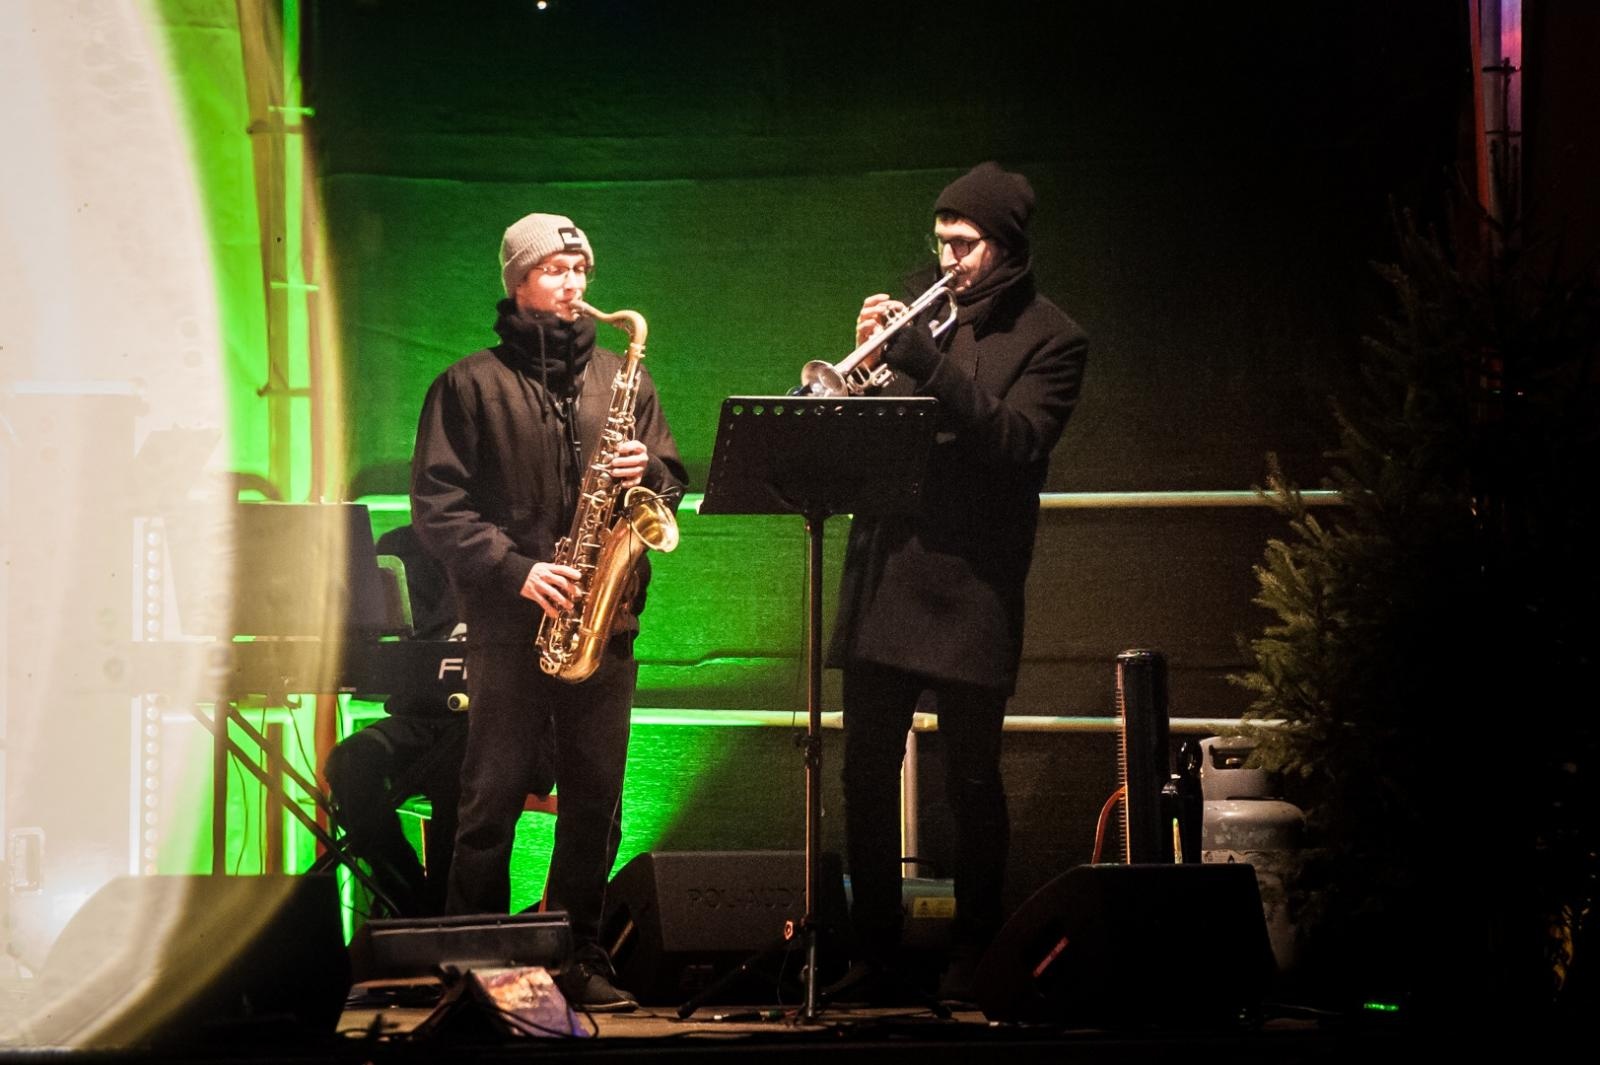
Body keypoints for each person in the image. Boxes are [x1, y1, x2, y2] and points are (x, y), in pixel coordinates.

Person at [410, 212, 687, 1013]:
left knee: (597, 801)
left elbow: (667, 479)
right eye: (556, 269)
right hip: (510, 621)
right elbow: (439, 509)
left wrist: (653, 470)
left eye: (581, 269)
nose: (574, 283)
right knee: (489, 798)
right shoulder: (468, 384)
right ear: (519, 280)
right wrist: (519, 571)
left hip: (607, 623)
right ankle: (476, 958)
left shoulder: (621, 376)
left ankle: (580, 954)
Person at [827, 162, 1089, 1005]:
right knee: (863, 773)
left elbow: (1015, 441)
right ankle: (875, 948)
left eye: (964, 244)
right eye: (940, 241)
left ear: (1004, 245)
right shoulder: (922, 317)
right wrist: (868, 373)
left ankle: (977, 945)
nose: (948, 259)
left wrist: (926, 363)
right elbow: (873, 438)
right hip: (889, 572)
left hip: (973, 581)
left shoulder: (1053, 337)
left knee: (971, 777)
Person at [323, 523, 468, 919]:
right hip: (418, 719)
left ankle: (449, 922)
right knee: (350, 762)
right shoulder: (397, 550)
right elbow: (372, 651)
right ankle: (412, 905)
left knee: (458, 771)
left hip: (495, 723)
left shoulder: (510, 543)